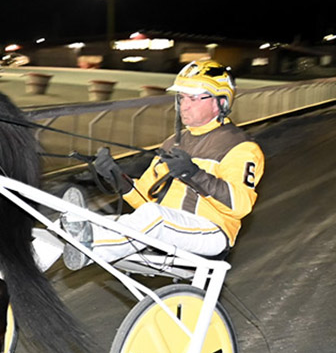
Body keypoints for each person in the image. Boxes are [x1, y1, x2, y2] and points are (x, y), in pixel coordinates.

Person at [61, 60, 265, 270]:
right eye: (181, 97)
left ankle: (89, 247)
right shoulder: (173, 142)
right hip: (167, 228)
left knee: (153, 217)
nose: (184, 105)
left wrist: (193, 174)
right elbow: (144, 198)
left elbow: (241, 206)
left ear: (220, 103)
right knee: (94, 223)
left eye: (193, 98)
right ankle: (38, 256)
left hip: (212, 232)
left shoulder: (241, 147)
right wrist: (114, 175)